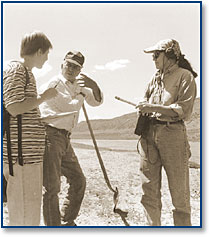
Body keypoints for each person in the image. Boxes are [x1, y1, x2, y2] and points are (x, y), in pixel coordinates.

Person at [136, 39, 197, 226]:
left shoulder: (185, 77)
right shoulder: (154, 79)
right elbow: (146, 100)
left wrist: (153, 107)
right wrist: (143, 107)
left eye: (156, 55)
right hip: (148, 135)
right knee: (149, 191)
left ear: (170, 55)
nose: (153, 59)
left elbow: (183, 110)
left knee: (179, 194)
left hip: (173, 135)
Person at [39, 50, 103, 226]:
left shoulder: (78, 85)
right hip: (49, 136)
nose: (71, 69)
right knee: (52, 187)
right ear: (62, 64)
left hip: (64, 138)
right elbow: (69, 106)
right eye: (68, 65)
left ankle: (67, 220)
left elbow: (97, 102)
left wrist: (93, 85)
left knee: (78, 180)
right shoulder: (55, 83)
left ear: (80, 70)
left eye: (76, 67)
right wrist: (83, 93)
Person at [3, 31, 58, 226]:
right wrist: (45, 97)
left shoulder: (25, 72)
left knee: (29, 215)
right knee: (22, 217)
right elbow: (13, 107)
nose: (47, 58)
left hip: (27, 157)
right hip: (20, 158)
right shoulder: (17, 70)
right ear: (39, 51)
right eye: (46, 54)